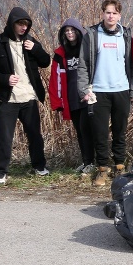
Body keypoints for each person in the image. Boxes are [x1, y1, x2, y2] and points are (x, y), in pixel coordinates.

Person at [0, 7, 52, 184]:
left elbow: (46, 61)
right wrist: (4, 79)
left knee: (35, 135)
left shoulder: (30, 41)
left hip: (28, 97)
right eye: (20, 24)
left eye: (26, 25)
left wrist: (35, 49)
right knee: (3, 137)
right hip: (6, 99)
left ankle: (39, 166)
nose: (24, 28)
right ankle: (0, 172)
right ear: (12, 24)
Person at [77, 0, 133, 186]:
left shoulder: (126, 35)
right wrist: (84, 90)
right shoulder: (92, 34)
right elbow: (83, 65)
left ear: (119, 15)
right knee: (100, 132)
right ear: (102, 14)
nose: (111, 16)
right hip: (98, 91)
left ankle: (119, 166)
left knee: (120, 131)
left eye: (114, 13)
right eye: (107, 12)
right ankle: (102, 169)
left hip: (121, 90)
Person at [49, 18, 94, 175]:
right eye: (66, 31)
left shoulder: (87, 48)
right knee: (79, 132)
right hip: (71, 98)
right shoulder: (61, 54)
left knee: (87, 129)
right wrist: (57, 101)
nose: (69, 33)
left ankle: (93, 162)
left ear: (78, 31)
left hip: (87, 96)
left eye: (72, 30)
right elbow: (55, 80)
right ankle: (86, 161)